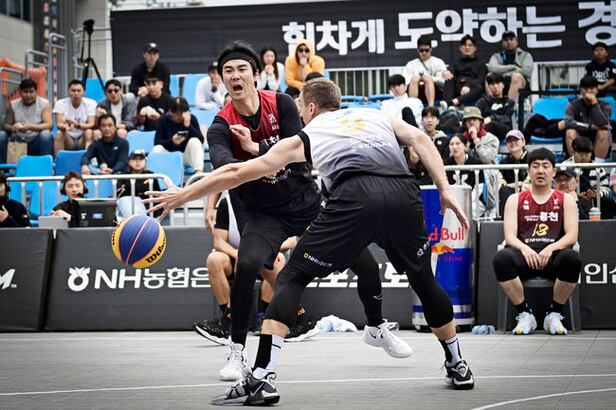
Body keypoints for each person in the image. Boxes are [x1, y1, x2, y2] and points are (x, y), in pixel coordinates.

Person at [145, 78, 476, 404]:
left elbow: (236, 173)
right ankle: (457, 363)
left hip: (353, 198)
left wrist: (183, 195)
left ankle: (261, 376)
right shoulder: (376, 115)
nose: (300, 113)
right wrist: (444, 188)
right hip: (402, 193)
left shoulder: (310, 133)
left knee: (291, 277)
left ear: (312, 107)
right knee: (423, 279)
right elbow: (419, 138)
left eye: (301, 107)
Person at [200, 42, 407, 382]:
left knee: (366, 263)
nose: (235, 76)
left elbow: (303, 147)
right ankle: (237, 352)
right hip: (262, 214)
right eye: (228, 72)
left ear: (256, 74)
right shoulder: (220, 126)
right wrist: (256, 162)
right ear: (223, 80)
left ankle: (375, 327)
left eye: (241, 69)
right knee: (248, 264)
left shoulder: (281, 103)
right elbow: (226, 169)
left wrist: (257, 148)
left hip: (305, 203)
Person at [193, 194, 311, 345]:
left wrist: (270, 247)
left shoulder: (270, 198)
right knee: (215, 260)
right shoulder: (227, 204)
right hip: (237, 254)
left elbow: (292, 240)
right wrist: (239, 253)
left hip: (263, 253)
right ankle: (229, 319)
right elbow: (219, 242)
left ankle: (260, 317)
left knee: (272, 260)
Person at [493, 148, 581, 335]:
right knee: (501, 259)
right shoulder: (514, 199)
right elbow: (510, 236)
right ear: (528, 170)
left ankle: (554, 314)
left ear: (553, 171)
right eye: (535, 166)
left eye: (545, 166)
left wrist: (551, 248)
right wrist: (525, 249)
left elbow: (572, 236)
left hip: (553, 256)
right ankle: (525, 313)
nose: (540, 171)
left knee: (572, 259)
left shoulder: (565, 199)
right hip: (525, 256)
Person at [562, 136, 616, 219]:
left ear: (591, 153)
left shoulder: (598, 168)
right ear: (573, 152)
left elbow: (606, 189)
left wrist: (597, 193)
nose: (584, 157)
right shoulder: (565, 167)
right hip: (572, 199)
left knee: (609, 203)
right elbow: (560, 189)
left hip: (594, 200)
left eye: (587, 154)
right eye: (580, 154)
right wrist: (576, 195)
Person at [0, 78, 53, 163]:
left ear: (36, 92)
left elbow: (49, 125)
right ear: (20, 92)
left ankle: (44, 164)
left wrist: (30, 127)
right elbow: (6, 124)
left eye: (31, 92)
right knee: (2, 135)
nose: (28, 95)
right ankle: (5, 167)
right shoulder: (13, 104)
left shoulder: (44, 104)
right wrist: (13, 128)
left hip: (36, 141)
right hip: (18, 140)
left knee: (46, 135)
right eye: (25, 92)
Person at [563, 75, 612, 161]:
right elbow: (568, 122)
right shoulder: (573, 104)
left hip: (597, 140)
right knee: (570, 132)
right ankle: (575, 164)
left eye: (592, 88)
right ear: (581, 90)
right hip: (579, 138)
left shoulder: (605, 105)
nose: (589, 91)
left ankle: (598, 165)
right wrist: (590, 126)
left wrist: (594, 103)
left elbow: (603, 123)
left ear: (597, 90)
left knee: (603, 132)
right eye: (585, 88)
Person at [152, 97, 204, 173]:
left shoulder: (191, 119)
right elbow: (157, 142)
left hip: (186, 156)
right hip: (169, 156)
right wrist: (172, 141)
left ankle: (198, 174)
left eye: (183, 113)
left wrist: (188, 126)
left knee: (195, 141)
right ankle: (156, 176)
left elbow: (201, 140)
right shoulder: (163, 120)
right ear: (171, 112)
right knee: (157, 149)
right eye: (178, 114)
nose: (181, 117)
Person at [402, 36, 451, 107]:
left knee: (427, 78)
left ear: (431, 49)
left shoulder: (438, 62)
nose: (424, 52)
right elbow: (405, 80)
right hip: (417, 90)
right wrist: (419, 79)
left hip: (435, 91)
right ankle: (413, 107)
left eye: (426, 50)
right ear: (417, 50)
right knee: (415, 79)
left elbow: (442, 81)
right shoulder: (411, 64)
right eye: (421, 50)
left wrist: (428, 79)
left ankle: (431, 107)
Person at [405, 107, 448, 185]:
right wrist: (414, 162)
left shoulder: (445, 141)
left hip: (438, 183)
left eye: (432, 117)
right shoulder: (414, 140)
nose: (429, 120)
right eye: (426, 117)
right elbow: (408, 165)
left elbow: (445, 162)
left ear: (438, 121)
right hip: (417, 182)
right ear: (422, 120)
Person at [442, 35, 486, 109]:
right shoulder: (456, 62)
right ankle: (447, 104)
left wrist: (468, 86)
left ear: (475, 48)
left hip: (472, 89)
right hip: (458, 88)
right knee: (449, 78)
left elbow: (480, 81)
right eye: (464, 45)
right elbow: (450, 71)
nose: (467, 47)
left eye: (470, 45)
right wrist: (446, 73)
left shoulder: (480, 64)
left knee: (479, 88)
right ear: (460, 48)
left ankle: (451, 103)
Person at [487, 31, 533, 102]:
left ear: (516, 41)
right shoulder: (497, 56)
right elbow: (491, 68)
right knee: (489, 75)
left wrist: (504, 72)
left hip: (522, 85)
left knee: (516, 76)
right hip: (502, 82)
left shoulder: (525, 55)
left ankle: (509, 107)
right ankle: (491, 104)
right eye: (506, 40)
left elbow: (527, 72)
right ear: (502, 43)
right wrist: (513, 67)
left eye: (511, 39)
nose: (508, 42)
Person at [53, 79, 96, 154]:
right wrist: (64, 127)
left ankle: (88, 158)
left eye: (79, 91)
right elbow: (59, 124)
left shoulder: (91, 103)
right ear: (68, 92)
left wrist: (75, 124)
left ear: (84, 92)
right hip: (68, 137)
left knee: (89, 132)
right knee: (59, 133)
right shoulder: (60, 103)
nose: (76, 93)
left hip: (82, 138)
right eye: (73, 90)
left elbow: (91, 124)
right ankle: (58, 159)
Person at [116, 149, 162, 219]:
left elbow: (157, 194)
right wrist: (142, 190)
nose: (138, 162)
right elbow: (121, 195)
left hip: (148, 208)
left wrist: (131, 187)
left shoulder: (151, 175)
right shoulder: (123, 175)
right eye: (134, 159)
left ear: (145, 161)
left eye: (141, 159)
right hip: (128, 206)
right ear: (129, 162)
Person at [475, 73, 515, 141]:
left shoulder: (509, 102)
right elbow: (475, 115)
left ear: (503, 85)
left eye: (498, 83)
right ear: (489, 86)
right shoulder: (482, 102)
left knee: (492, 125)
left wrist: (491, 118)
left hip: (504, 130)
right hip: (484, 128)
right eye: (492, 84)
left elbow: (507, 118)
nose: (495, 86)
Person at [498, 130, 530, 216]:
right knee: (504, 191)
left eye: (516, 139)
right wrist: (517, 184)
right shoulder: (503, 163)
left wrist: (520, 186)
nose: (512, 142)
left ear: (523, 141)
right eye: (509, 141)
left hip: (529, 195)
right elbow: (499, 184)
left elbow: (531, 182)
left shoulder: (532, 159)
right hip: (509, 196)